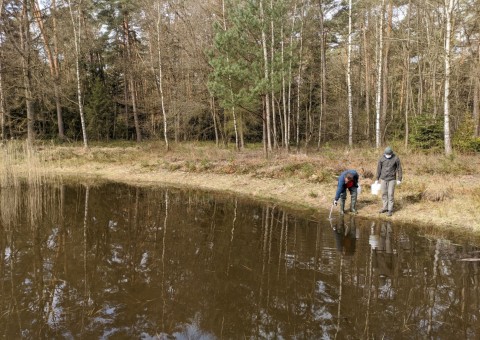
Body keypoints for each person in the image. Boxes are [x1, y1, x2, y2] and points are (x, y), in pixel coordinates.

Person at [376, 146, 402, 216]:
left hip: (392, 179)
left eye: (389, 155)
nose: (388, 156)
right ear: (384, 153)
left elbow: (399, 169)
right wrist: (377, 179)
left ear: (391, 153)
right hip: (383, 178)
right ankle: (385, 208)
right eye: (386, 154)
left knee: (390, 194)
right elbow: (378, 169)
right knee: (384, 193)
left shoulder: (396, 158)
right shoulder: (381, 158)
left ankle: (390, 210)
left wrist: (399, 179)